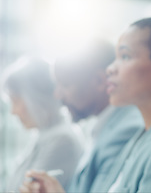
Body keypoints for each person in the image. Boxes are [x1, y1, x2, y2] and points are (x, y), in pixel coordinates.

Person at [20, 40, 143, 192]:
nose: (57, 95)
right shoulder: (103, 126)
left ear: (99, 81)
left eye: (65, 85)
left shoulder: (124, 131)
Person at [1, 57, 83, 191]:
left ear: (36, 98)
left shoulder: (62, 141)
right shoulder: (44, 135)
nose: (13, 112)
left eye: (15, 100)